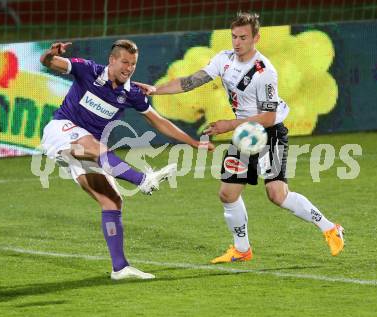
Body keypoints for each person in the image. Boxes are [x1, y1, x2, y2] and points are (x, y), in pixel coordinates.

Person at [137, 12, 345, 263]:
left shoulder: (265, 71)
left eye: (243, 37)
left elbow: (268, 117)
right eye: (234, 36)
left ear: (256, 38)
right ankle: (242, 249)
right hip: (245, 134)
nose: (237, 42)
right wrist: (156, 89)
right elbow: (191, 82)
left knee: (277, 195)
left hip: (269, 133)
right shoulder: (224, 60)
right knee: (227, 194)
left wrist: (228, 124)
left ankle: (330, 228)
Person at [40, 39, 214, 279]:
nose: (129, 68)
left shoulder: (131, 92)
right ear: (112, 60)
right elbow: (49, 63)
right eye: (124, 62)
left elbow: (158, 121)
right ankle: (142, 179)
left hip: (87, 147)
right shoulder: (88, 70)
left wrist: (193, 142)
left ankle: (119, 268)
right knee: (99, 148)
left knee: (112, 202)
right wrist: (50, 54)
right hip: (61, 131)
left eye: (133, 64)